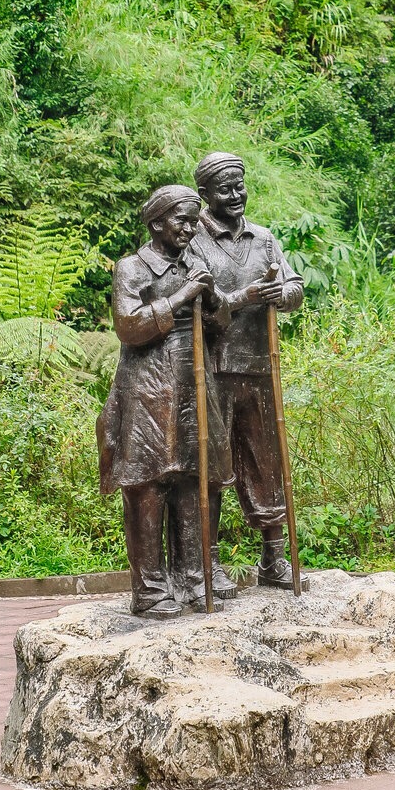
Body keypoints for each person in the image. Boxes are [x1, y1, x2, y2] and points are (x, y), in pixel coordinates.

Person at [97, 184, 233, 618]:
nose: (191, 228)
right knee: (148, 484)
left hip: (194, 381)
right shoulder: (132, 268)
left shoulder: (196, 262)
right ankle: (150, 587)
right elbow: (129, 327)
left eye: (195, 220)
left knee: (195, 478)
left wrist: (213, 300)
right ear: (157, 223)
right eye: (182, 219)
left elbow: (220, 322)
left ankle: (194, 577)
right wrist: (182, 296)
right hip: (148, 386)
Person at [191, 152, 303, 592]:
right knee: (213, 463)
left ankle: (273, 557)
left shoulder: (264, 238)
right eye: (225, 188)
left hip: (259, 366)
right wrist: (243, 296)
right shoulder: (193, 240)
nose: (236, 195)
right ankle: (208, 561)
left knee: (266, 462)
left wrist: (283, 293)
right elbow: (202, 301)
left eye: (240, 186)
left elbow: (294, 286)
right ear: (205, 195)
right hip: (211, 370)